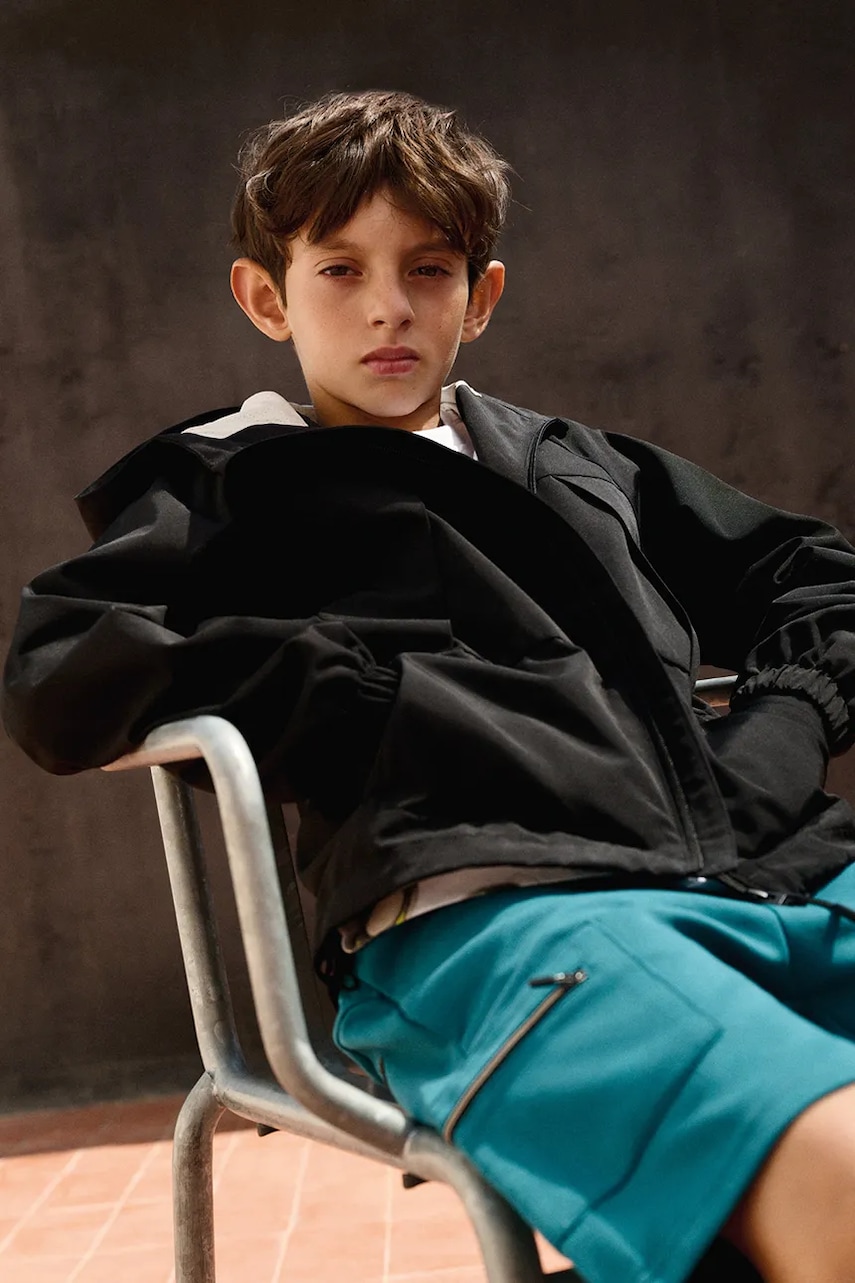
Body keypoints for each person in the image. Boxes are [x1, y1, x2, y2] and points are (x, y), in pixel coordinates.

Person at [5, 89, 855, 1283]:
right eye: (340, 269)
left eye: (429, 268)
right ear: (267, 297)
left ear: (480, 294)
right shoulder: (233, 487)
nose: (389, 307)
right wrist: (361, 696)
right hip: (503, 919)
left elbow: (818, 574)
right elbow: (61, 667)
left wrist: (787, 718)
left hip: (787, 876)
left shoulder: (575, 462)